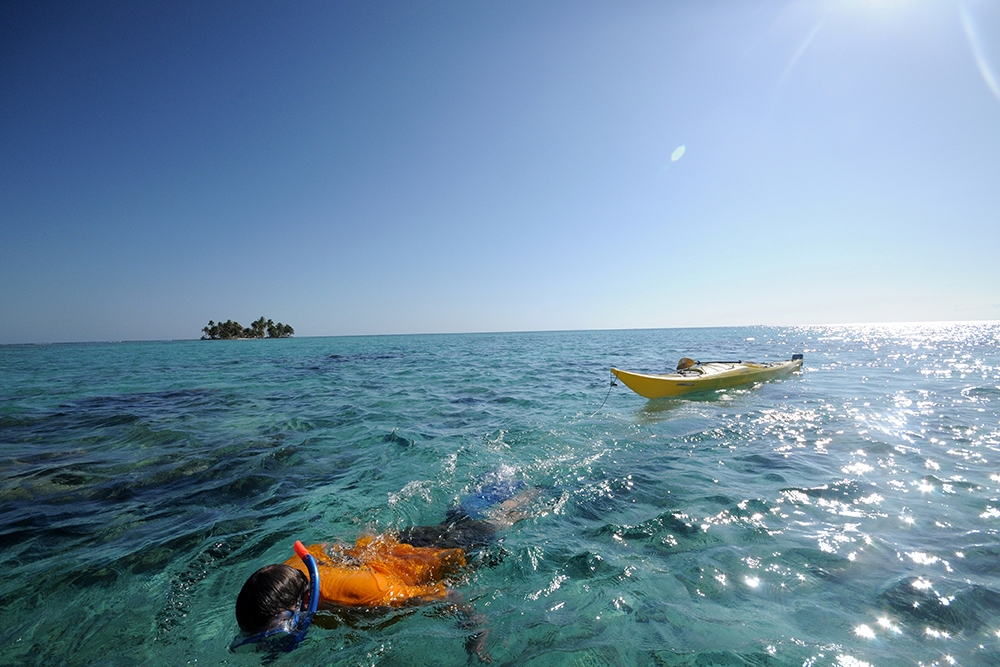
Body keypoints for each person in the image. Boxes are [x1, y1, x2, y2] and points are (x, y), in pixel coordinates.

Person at [233, 473, 544, 661]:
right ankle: (476, 500)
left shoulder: (367, 595)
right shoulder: (290, 572)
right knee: (458, 520)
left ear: (301, 602)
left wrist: (477, 631)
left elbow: (445, 594)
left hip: (442, 555)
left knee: (499, 523)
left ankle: (537, 491)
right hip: (401, 542)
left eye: (275, 632)